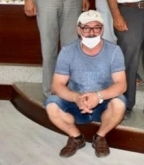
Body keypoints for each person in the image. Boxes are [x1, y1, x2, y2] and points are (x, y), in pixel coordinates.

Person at [44, 10, 127, 158]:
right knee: (51, 105)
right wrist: (76, 97)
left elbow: (121, 85)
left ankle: (100, 136)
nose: (91, 33)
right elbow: (57, 85)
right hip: (75, 103)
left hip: (103, 102)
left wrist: (98, 96)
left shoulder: (114, 51)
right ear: (78, 29)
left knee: (120, 103)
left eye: (96, 27)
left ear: (102, 29)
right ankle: (76, 137)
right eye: (86, 28)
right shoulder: (67, 51)